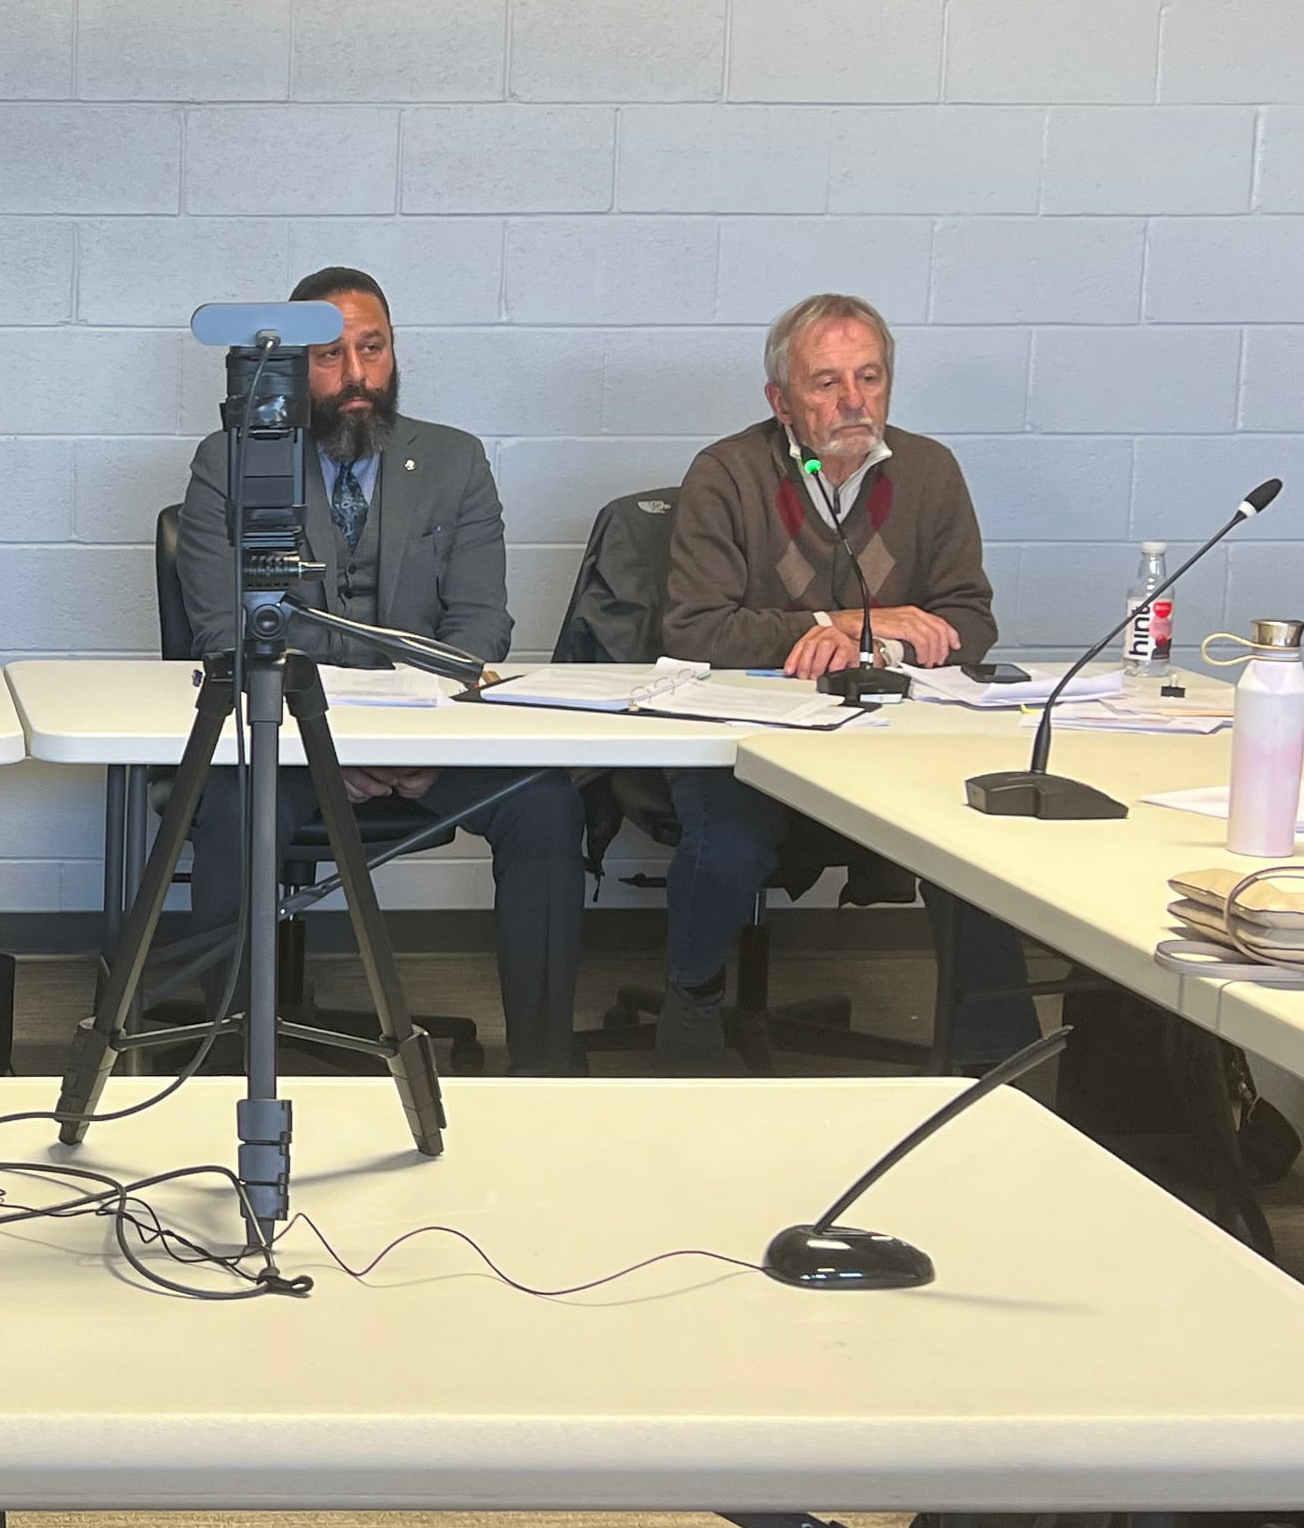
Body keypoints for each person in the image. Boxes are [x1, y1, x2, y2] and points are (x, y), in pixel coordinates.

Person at [176, 268, 587, 1075]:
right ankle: (224, 1064)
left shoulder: (454, 462)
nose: (357, 375)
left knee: (544, 807)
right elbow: (226, 633)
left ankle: (544, 1068)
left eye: (373, 349)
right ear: (292, 364)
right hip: (295, 742)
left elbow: (479, 625)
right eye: (330, 355)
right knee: (226, 810)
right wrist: (339, 739)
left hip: (428, 738)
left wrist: (415, 728)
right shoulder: (230, 463)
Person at [655, 292, 1036, 1072]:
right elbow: (695, 629)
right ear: (780, 400)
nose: (853, 400)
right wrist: (828, 626)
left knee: (972, 829)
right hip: (749, 737)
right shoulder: (726, 473)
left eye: (869, 376)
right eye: (825, 382)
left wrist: (881, 645)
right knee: (725, 837)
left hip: (890, 740)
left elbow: (972, 620)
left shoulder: (928, 471)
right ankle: (689, 1005)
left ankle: (996, 1051)